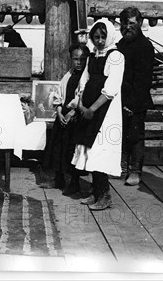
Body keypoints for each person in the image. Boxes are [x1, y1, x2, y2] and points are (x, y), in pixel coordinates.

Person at [71, 20, 125, 211]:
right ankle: (95, 192)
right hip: (88, 109)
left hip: (104, 110)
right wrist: (81, 104)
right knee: (89, 149)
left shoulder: (116, 56)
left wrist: (92, 109)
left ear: (109, 36)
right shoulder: (92, 55)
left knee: (100, 149)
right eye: (96, 37)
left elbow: (111, 88)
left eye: (103, 37)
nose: (100, 40)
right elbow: (84, 80)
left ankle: (105, 195)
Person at [38, 43, 89, 193]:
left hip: (75, 117)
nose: (79, 62)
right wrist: (59, 111)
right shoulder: (69, 74)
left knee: (72, 150)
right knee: (58, 146)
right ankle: (58, 179)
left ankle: (74, 182)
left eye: (82, 59)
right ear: (71, 59)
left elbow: (82, 98)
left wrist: (72, 112)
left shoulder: (86, 77)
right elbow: (59, 94)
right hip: (63, 115)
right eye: (75, 59)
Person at [116, 7, 154, 186]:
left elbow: (144, 80)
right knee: (122, 134)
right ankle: (122, 167)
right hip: (120, 99)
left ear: (140, 23)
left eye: (131, 23)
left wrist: (131, 104)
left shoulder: (145, 47)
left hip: (136, 101)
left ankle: (135, 171)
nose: (128, 27)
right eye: (124, 24)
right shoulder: (121, 45)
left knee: (136, 136)